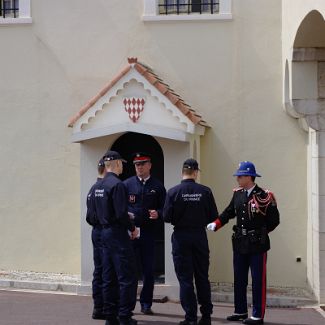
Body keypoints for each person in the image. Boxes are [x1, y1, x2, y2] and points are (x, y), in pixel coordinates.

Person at [207, 161, 280, 325]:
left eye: (240, 176)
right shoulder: (238, 194)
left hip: (257, 244)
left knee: (257, 280)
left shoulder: (264, 196)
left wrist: (260, 233)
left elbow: (274, 221)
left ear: (249, 177)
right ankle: (240, 310)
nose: (237, 178)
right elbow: (229, 212)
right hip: (240, 242)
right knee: (239, 279)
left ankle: (257, 315)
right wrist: (217, 223)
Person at [163, 158, 218, 325]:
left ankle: (190, 318)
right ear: (195, 173)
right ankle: (206, 316)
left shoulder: (173, 192)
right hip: (199, 236)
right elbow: (213, 217)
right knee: (202, 276)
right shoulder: (206, 191)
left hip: (181, 237)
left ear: (182, 172)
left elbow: (166, 217)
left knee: (185, 279)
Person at [93, 150, 139, 325]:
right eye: (121, 164)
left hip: (103, 233)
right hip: (117, 234)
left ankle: (110, 316)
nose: (122, 167)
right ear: (117, 164)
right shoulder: (117, 185)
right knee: (127, 276)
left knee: (108, 276)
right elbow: (121, 213)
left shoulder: (98, 186)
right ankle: (125, 317)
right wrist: (132, 228)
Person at [124, 152, 166, 315]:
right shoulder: (127, 185)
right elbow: (121, 206)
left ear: (150, 165)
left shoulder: (157, 186)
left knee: (148, 271)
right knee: (130, 271)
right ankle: (128, 305)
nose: (139, 167)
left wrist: (159, 213)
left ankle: (146, 304)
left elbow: (165, 208)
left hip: (148, 234)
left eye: (142, 164)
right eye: (136, 165)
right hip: (131, 233)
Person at [85, 158, 106, 320]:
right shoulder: (107, 187)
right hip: (106, 232)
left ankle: (98, 307)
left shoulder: (92, 189)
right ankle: (106, 307)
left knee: (98, 270)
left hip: (96, 231)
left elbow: (89, 216)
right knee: (108, 270)